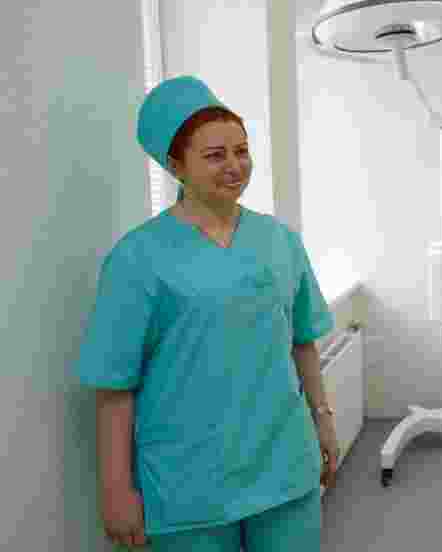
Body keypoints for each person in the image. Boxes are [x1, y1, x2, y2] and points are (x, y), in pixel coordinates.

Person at [77, 75, 341, 551]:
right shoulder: (137, 258)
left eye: (242, 151)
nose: (235, 166)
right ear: (175, 165)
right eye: (216, 155)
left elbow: (302, 339)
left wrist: (322, 418)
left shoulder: (279, 241)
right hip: (188, 485)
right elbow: (114, 387)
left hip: (284, 465)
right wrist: (116, 490)